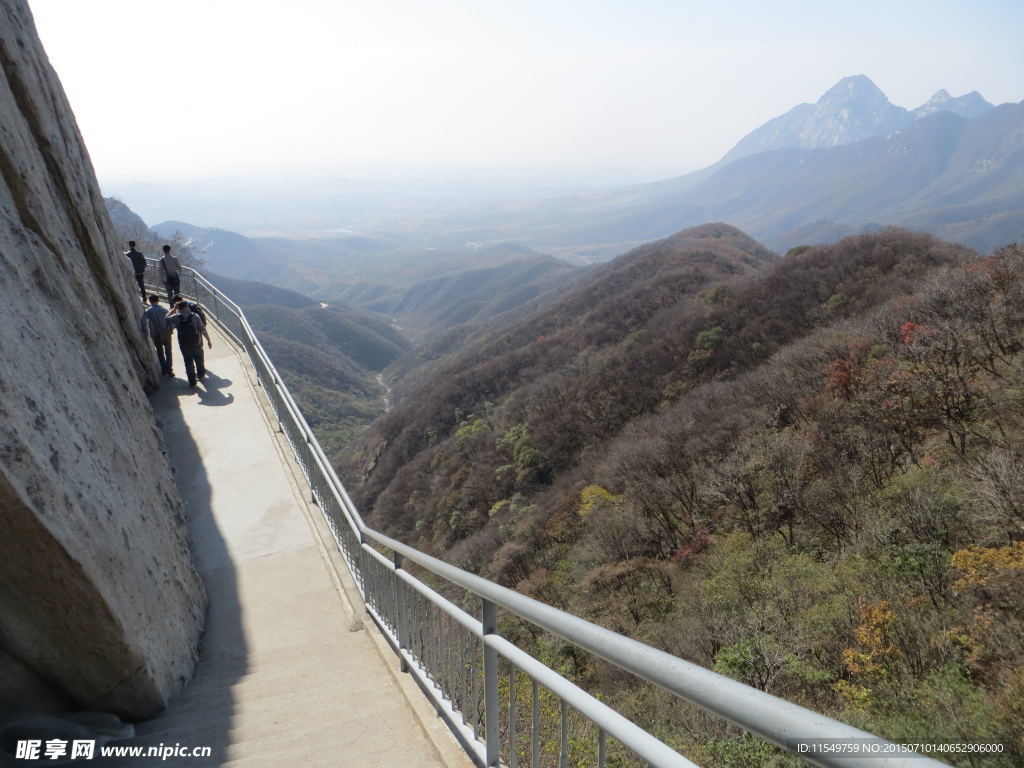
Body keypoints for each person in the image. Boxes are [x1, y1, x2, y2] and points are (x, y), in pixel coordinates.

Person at [167, 300, 212, 387]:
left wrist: (174, 309)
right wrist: (208, 341)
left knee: (188, 363)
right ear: (187, 307)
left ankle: (192, 382)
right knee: (199, 360)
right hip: (196, 343)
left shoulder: (176, 317)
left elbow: (166, 317)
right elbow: (203, 330)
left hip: (184, 345)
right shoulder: (195, 316)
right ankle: (201, 375)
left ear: (179, 308)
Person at [139, 294, 173, 377]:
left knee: (160, 352)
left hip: (156, 335)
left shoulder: (148, 311)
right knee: (168, 352)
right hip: (166, 333)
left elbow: (143, 321)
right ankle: (169, 370)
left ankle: (163, 369)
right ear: (158, 300)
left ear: (150, 301)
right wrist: (171, 330)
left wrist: (145, 332)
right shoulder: (164, 310)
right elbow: (171, 320)